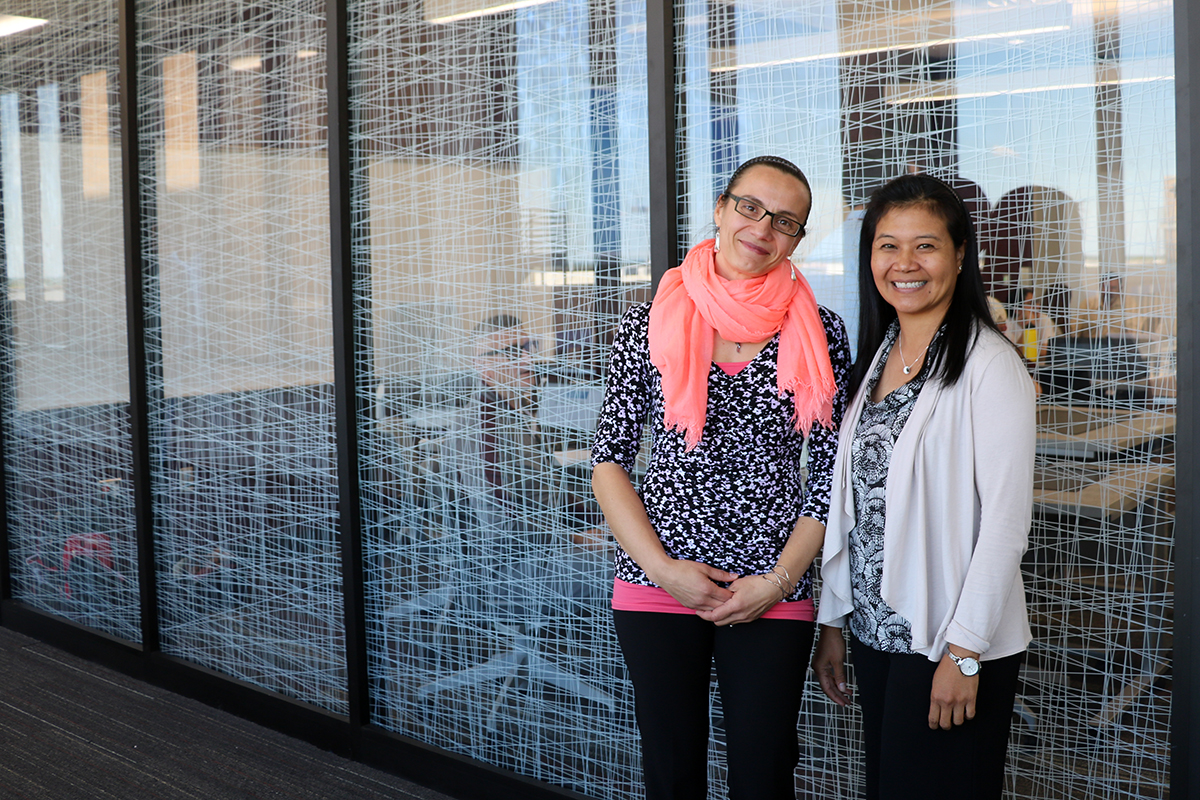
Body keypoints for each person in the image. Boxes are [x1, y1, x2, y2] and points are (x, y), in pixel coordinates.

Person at [591, 155, 851, 799]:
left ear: (797, 239)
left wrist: (779, 582)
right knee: (671, 769)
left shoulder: (823, 332)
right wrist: (663, 568)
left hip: (772, 581)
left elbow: (829, 477)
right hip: (658, 577)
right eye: (750, 207)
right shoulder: (649, 320)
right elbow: (609, 463)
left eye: (786, 221)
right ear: (721, 207)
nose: (763, 228)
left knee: (763, 773)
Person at [811, 173, 1035, 800]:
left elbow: (1005, 527)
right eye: (888, 245)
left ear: (961, 255)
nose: (904, 264)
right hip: (877, 631)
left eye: (926, 246)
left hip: (947, 637)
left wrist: (964, 654)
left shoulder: (991, 366)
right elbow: (855, 506)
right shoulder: (880, 357)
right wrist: (835, 621)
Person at [1013, 287, 1060, 364]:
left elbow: (1045, 352)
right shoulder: (1010, 322)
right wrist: (1028, 326)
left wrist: (1031, 325)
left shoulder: (1043, 319)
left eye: (1036, 302)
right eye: (1030, 303)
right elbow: (1016, 353)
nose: (1036, 307)